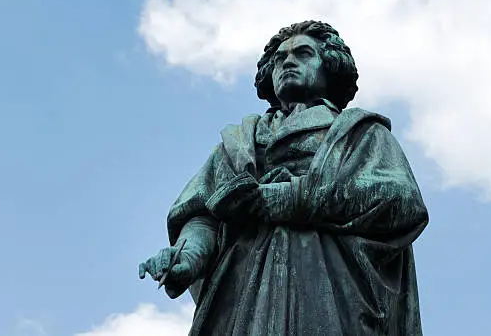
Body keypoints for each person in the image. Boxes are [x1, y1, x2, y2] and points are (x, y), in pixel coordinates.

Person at [139, 20, 429, 336]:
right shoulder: (241, 142)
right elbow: (203, 213)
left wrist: (287, 198)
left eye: (303, 53)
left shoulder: (361, 133)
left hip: (332, 290)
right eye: (279, 59)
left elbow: (401, 201)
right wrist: (189, 255)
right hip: (244, 294)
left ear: (329, 66)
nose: (287, 62)